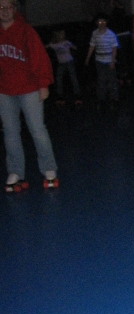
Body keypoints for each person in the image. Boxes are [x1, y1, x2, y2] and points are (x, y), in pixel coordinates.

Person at [0, 0, 58, 192]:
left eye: (8, 7)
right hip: (4, 90)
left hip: (29, 88)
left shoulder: (26, 31)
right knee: (10, 132)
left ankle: (49, 168)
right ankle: (15, 171)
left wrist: (43, 84)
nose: (5, 11)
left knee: (37, 129)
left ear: (14, 10)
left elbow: (40, 57)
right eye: (1, 7)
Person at [85, 13, 119, 111]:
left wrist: (112, 62)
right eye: (100, 22)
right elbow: (92, 46)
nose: (102, 23)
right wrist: (88, 58)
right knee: (101, 80)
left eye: (103, 22)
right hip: (99, 61)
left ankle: (114, 99)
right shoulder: (95, 33)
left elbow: (114, 49)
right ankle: (101, 99)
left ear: (106, 23)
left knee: (112, 81)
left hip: (109, 61)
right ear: (97, 23)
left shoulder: (111, 34)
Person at [46, 29, 82, 105]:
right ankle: (60, 95)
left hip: (69, 62)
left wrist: (72, 46)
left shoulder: (66, 42)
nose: (63, 36)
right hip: (61, 63)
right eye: (62, 34)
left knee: (73, 78)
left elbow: (75, 48)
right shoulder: (53, 44)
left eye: (63, 34)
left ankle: (78, 94)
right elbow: (45, 47)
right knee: (58, 78)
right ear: (58, 36)